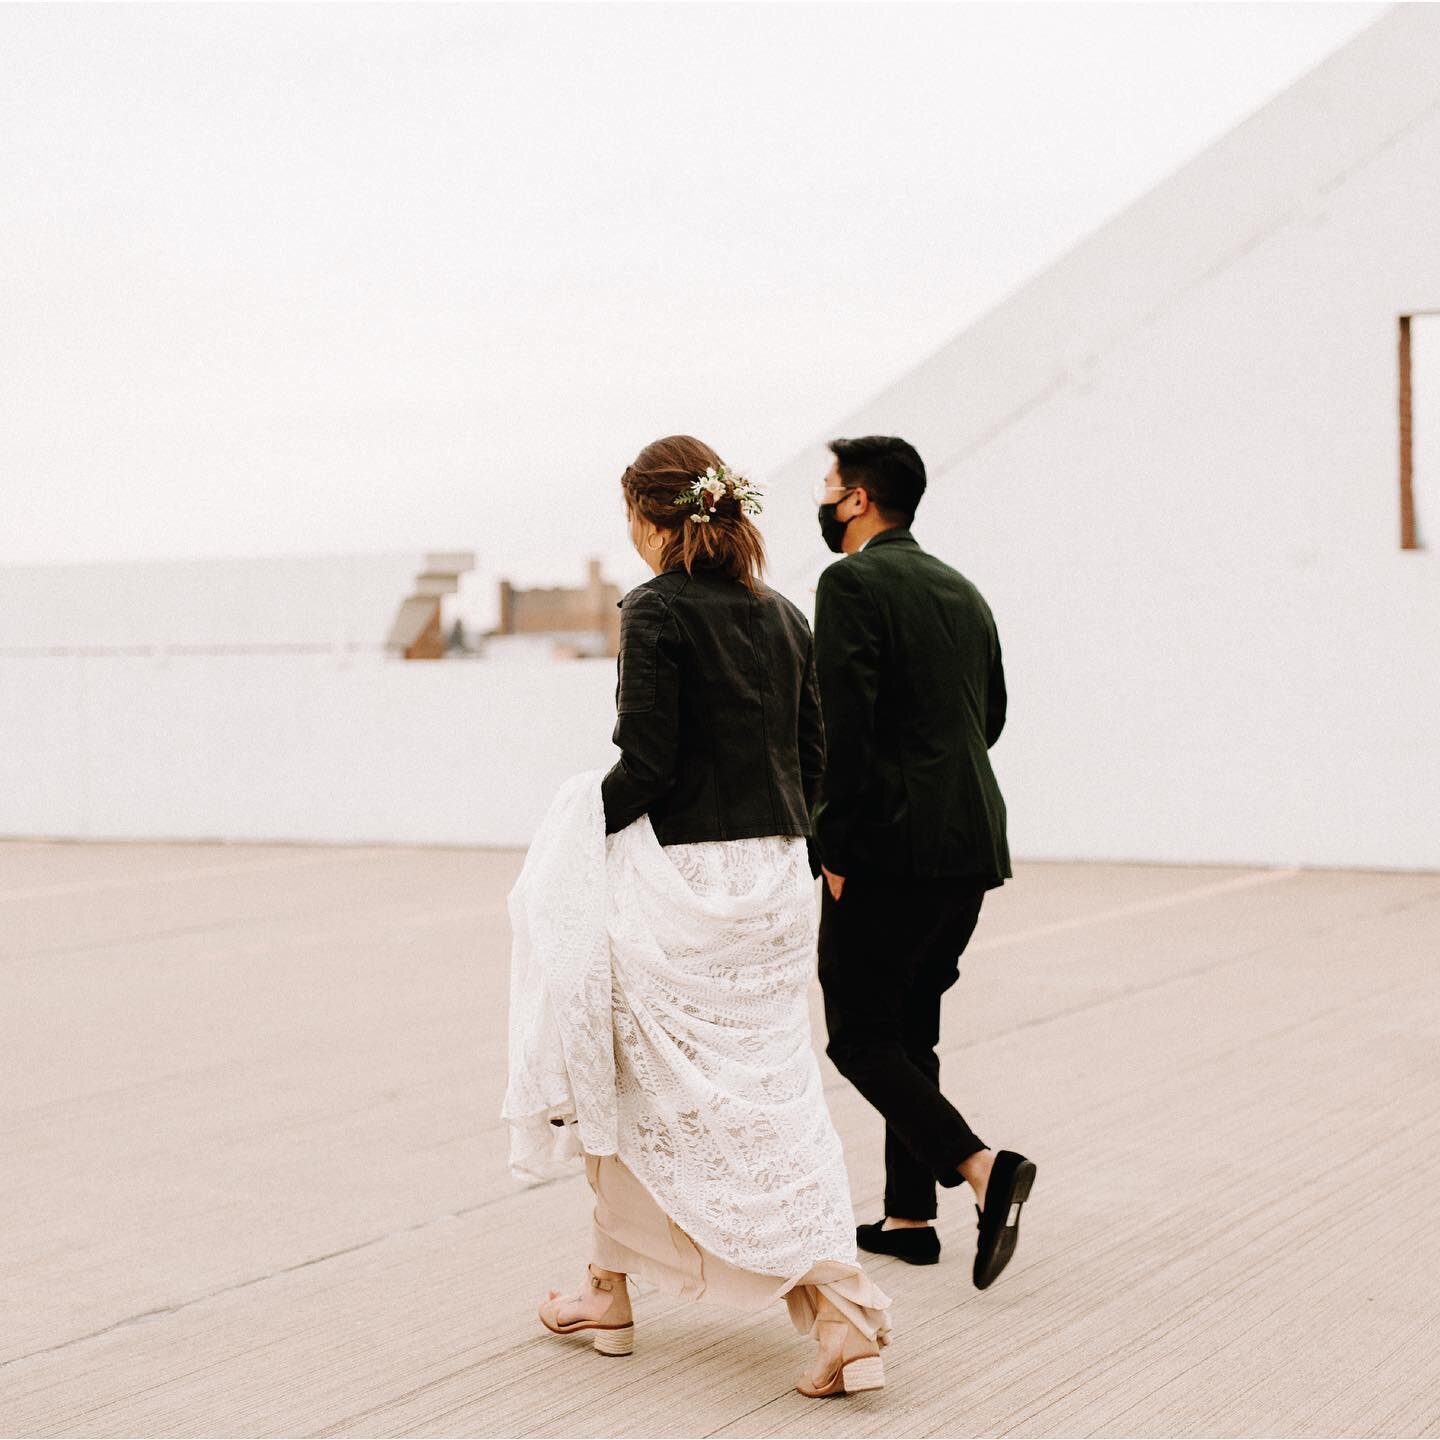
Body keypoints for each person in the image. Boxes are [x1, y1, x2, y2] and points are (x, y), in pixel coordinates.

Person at [509, 435, 891, 1399]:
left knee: (619, 1067)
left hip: (678, 881)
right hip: (770, 886)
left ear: (650, 518)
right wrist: (782, 853)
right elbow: (813, 760)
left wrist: (572, 827)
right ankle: (623, 1290)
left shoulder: (655, 612)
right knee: (766, 1096)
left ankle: (650, 1296)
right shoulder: (783, 613)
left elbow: (646, 763)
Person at [810, 435, 1036, 1287]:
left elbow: (845, 725)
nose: (824, 502)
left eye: (828, 489)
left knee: (861, 1037)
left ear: (858, 499)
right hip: (971, 841)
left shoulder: (852, 580)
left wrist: (835, 843)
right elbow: (993, 716)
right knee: (911, 1028)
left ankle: (981, 1168)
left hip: (888, 847)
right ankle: (909, 1218)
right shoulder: (961, 588)